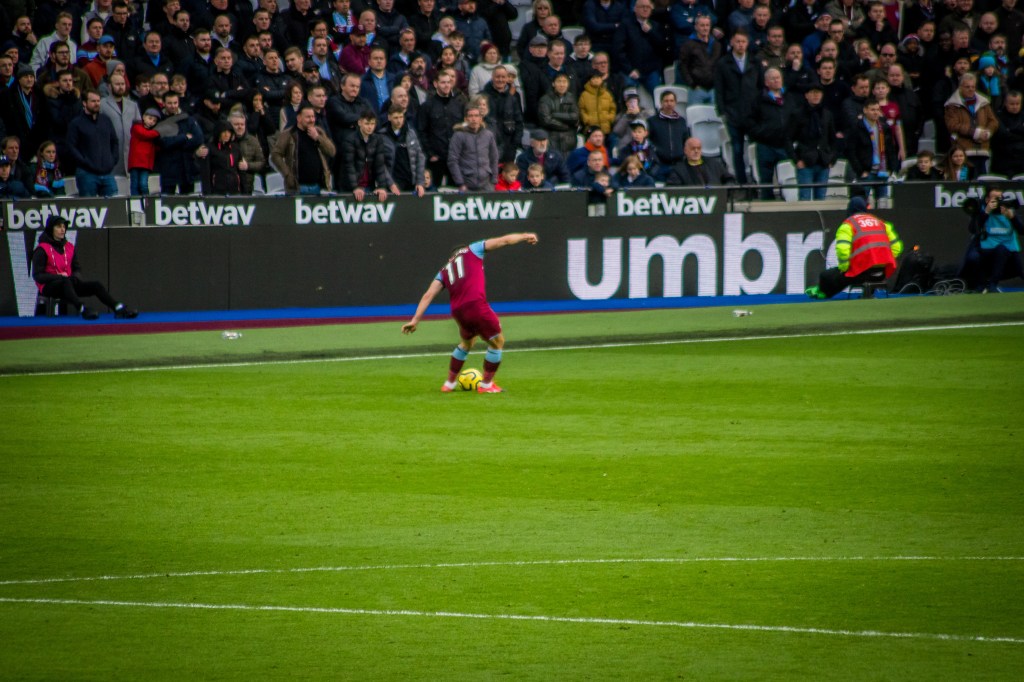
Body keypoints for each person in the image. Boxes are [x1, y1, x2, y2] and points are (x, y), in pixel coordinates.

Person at [401, 232, 539, 393]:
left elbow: (428, 295)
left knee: (467, 343)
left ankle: (449, 384)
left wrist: (415, 320)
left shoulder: (444, 270)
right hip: (475, 305)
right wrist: (524, 236)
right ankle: (486, 385)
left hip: (458, 312)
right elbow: (505, 241)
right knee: (497, 342)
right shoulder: (473, 249)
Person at [32, 215, 138, 320]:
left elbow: (77, 268)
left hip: (69, 283)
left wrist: (75, 277)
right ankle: (82, 309)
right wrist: (59, 277)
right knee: (66, 282)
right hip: (49, 286)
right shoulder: (42, 249)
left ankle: (117, 307)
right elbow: (38, 276)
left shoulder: (69, 247)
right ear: (51, 228)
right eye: (59, 227)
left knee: (96, 285)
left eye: (64, 227)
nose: (62, 229)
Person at [806, 196, 903, 299]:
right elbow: (897, 248)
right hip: (881, 273)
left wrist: (844, 269)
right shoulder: (882, 223)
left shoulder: (848, 225)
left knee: (825, 276)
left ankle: (822, 293)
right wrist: (881, 261)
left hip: (860, 273)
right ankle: (869, 292)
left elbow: (843, 251)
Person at [960, 187, 1024, 292]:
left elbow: (1022, 230)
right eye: (995, 198)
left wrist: (1013, 218)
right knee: (973, 258)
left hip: (1007, 248)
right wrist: (986, 212)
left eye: (1000, 198)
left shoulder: (1008, 209)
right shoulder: (982, 210)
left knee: (1006, 255)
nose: (998, 201)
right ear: (987, 200)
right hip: (986, 246)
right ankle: (981, 285)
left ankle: (993, 284)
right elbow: (973, 229)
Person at [271, 103, 336, 195]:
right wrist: (287, 174)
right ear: (299, 118)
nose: (311, 120)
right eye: (308, 117)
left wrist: (317, 138)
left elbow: (332, 151)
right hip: (297, 187)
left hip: (317, 186)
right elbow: (275, 154)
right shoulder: (289, 134)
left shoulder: (318, 132)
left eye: (313, 117)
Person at [66, 89, 119, 197]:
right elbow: (71, 147)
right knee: (89, 205)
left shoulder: (106, 120)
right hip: (86, 173)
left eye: (98, 101)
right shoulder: (76, 123)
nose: (97, 104)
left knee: (114, 204)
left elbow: (114, 142)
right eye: (93, 101)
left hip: (107, 173)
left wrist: (112, 160)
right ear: (84, 103)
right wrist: (84, 162)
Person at [944, 72, 999, 174]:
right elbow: (952, 125)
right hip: (963, 151)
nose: (971, 89)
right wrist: (974, 132)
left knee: (982, 179)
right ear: (960, 87)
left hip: (982, 149)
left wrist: (988, 132)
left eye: (973, 87)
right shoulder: (952, 105)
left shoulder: (984, 103)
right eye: (967, 87)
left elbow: (993, 121)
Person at [448, 104, 499, 191]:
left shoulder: (488, 135)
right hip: (466, 184)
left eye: (476, 116)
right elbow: (453, 160)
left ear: (481, 119)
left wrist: (493, 180)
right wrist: (460, 183)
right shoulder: (458, 135)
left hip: (487, 184)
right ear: (466, 119)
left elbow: (494, 158)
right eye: (470, 116)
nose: (473, 119)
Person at [665, 136, 733, 186]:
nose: (696, 151)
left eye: (698, 148)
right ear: (685, 150)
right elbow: (673, 189)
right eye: (693, 148)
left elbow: (730, 180)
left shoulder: (715, 164)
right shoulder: (678, 170)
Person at [128, 108, 162, 195]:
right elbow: (145, 134)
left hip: (146, 164)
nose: (151, 122)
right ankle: (135, 201)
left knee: (143, 185)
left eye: (154, 120)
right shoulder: (136, 127)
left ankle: (146, 201)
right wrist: (158, 132)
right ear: (143, 117)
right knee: (135, 184)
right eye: (150, 118)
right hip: (135, 163)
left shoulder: (152, 133)